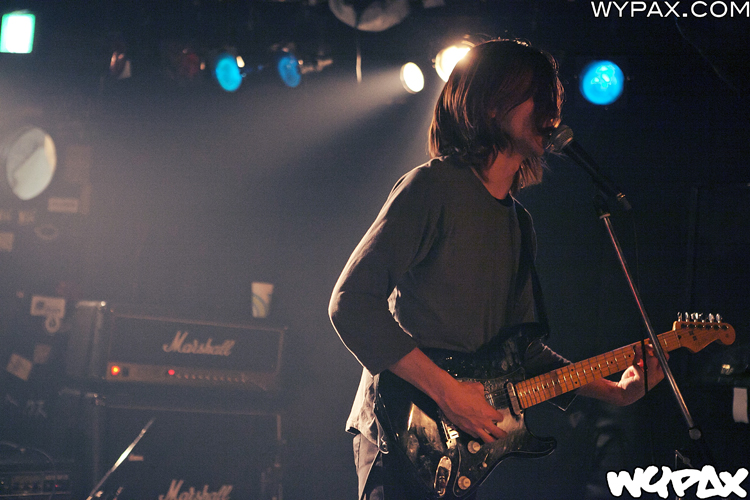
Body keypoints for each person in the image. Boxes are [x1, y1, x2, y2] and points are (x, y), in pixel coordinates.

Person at [328, 38, 665, 500]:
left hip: (467, 448)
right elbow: (351, 303)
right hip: (401, 429)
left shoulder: (519, 223)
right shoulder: (431, 186)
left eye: (554, 100)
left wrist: (615, 392)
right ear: (491, 105)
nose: (552, 113)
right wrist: (448, 393)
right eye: (538, 97)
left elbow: (522, 353)